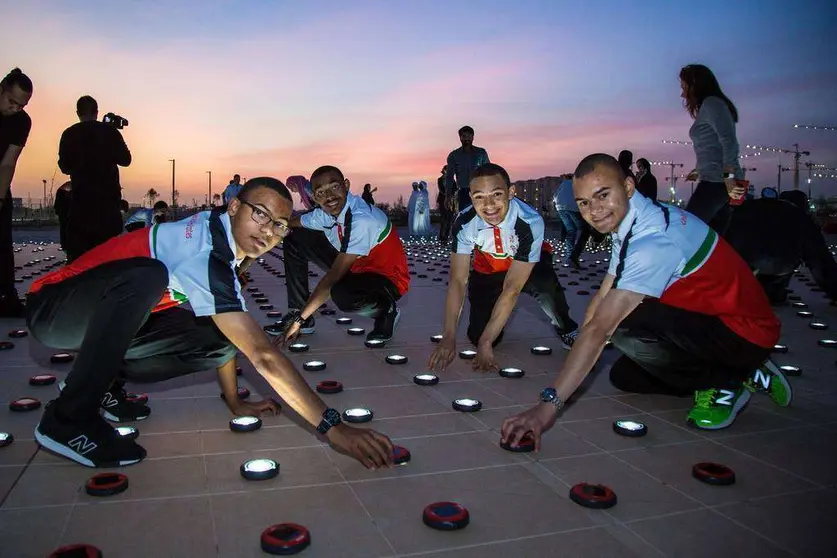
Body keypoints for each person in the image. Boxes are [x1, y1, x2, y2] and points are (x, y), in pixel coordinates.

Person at [26, 177, 395, 469]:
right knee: (147, 277)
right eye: (260, 214)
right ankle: (68, 417)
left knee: (217, 339)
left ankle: (104, 384)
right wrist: (333, 427)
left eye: (280, 225)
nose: (269, 230)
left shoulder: (219, 237)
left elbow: (231, 335)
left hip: (92, 318)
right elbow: (262, 355)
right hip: (54, 309)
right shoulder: (206, 250)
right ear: (234, 206)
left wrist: (235, 403)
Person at [501, 154, 789, 449]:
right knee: (626, 377)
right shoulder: (634, 218)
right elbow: (603, 294)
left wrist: (547, 406)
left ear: (627, 186)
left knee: (625, 324)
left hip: (744, 330)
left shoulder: (652, 239)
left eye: (603, 195)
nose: (594, 211)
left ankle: (726, 381)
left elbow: (602, 327)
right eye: (584, 203)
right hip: (708, 320)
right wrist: (579, 351)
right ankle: (744, 369)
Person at [427, 163, 579, 374]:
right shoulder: (464, 222)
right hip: (488, 268)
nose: (489, 205)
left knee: (545, 285)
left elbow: (512, 287)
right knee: (477, 335)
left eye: (496, 194)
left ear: (511, 192)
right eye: (479, 197)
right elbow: (458, 280)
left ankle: (567, 328)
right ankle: (495, 323)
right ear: (471, 198)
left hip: (526, 265)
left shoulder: (530, 221)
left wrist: (486, 343)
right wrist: (449, 336)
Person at [274, 166, 410, 345]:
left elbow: (331, 279)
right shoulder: (326, 213)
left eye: (334, 187)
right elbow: (292, 223)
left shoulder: (361, 219)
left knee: (342, 294)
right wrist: (275, 227)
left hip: (387, 279)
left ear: (346, 185)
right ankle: (298, 310)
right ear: (314, 197)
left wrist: (299, 320)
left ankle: (386, 310)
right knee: (294, 237)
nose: (329, 196)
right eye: (321, 193)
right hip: (355, 267)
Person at [726, 189, 837, 304]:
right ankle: (772, 289)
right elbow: (820, 262)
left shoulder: (746, 208)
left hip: (742, 267)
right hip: (779, 267)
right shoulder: (800, 218)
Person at [58, 95, 132, 262]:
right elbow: (126, 160)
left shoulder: (69, 134)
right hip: (108, 208)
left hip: (81, 208)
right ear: (97, 112)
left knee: (79, 263)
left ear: (78, 113)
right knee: (108, 261)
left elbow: (64, 166)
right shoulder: (109, 132)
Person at [680, 64, 742, 236]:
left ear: (695, 85)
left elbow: (728, 141)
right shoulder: (708, 107)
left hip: (718, 183)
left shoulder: (712, 104)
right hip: (715, 181)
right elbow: (712, 147)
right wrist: (699, 169)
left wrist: (729, 179)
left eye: (684, 86)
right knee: (713, 240)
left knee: (686, 230)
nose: (682, 93)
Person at [0, 68, 33, 318]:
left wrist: (0, 199)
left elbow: (8, 162)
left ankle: (6, 298)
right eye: (12, 102)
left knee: (2, 240)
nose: (16, 109)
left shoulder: (22, 121)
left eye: (21, 105)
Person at [445, 125, 490, 213]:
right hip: (463, 193)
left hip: (480, 191)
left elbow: (488, 172)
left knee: (482, 218)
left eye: (469, 136)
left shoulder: (481, 153)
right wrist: (448, 196)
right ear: (460, 138)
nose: (467, 139)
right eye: (464, 136)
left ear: (473, 137)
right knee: (465, 220)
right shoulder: (454, 155)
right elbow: (449, 177)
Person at [554, 174, 590, 269]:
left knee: (571, 231)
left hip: (560, 207)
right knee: (585, 231)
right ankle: (573, 257)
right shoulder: (579, 183)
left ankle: (569, 258)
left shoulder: (564, 183)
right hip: (573, 207)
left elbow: (555, 196)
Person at [54, 181, 73, 252]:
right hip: (68, 216)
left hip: (63, 215)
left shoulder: (62, 189)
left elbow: (56, 206)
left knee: (64, 230)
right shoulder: (73, 189)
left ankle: (65, 246)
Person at [437, 166, 453, 244]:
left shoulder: (452, 180)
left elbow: (455, 188)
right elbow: (441, 190)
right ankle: (441, 237)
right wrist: (448, 195)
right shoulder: (440, 180)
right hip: (442, 201)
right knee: (444, 219)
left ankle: (446, 237)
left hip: (450, 202)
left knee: (449, 220)